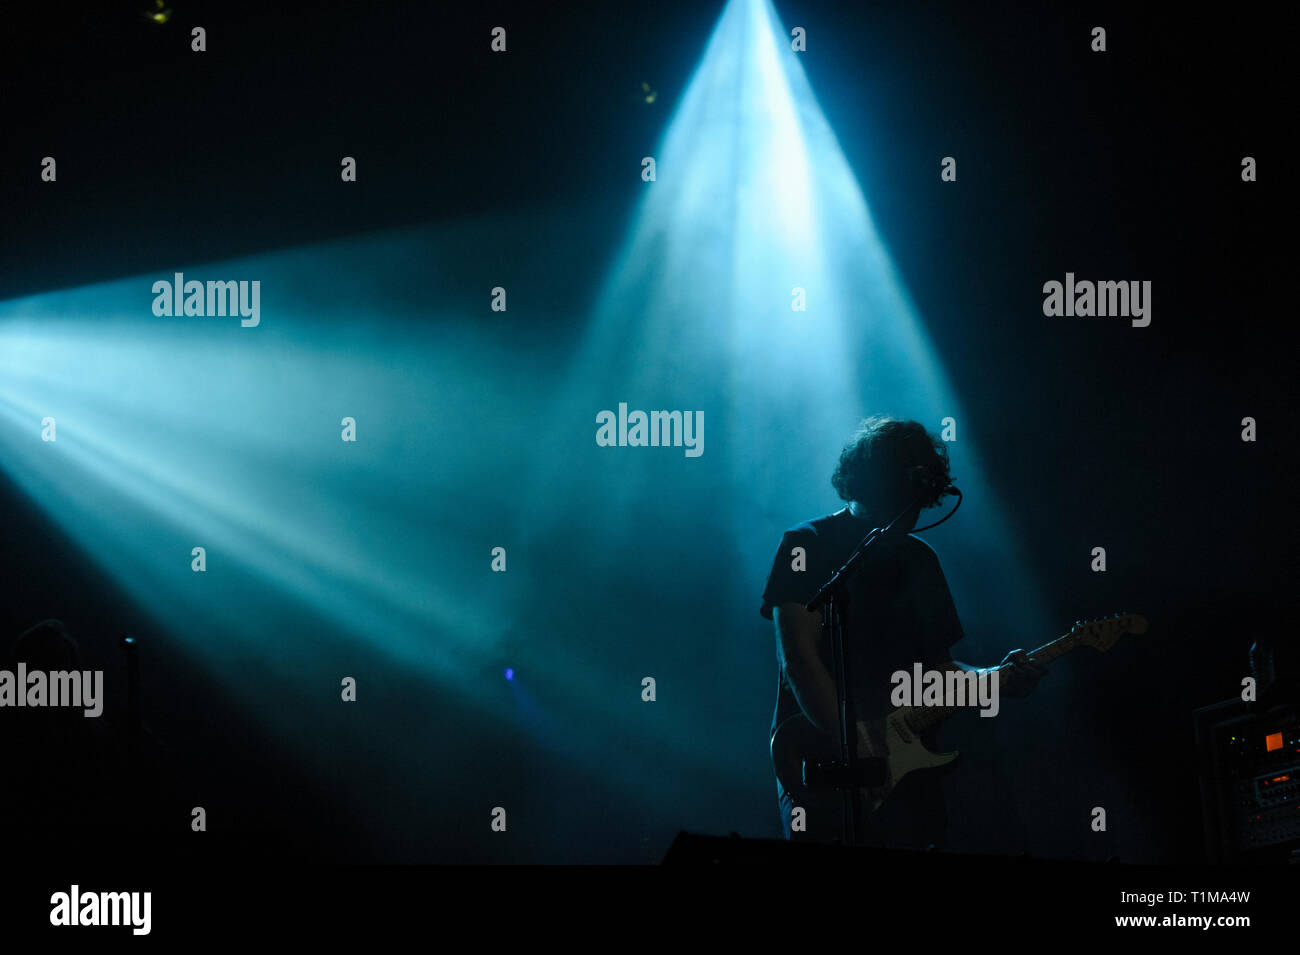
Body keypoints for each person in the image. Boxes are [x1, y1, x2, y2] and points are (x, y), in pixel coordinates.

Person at [761, 416, 1044, 846]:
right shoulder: (807, 543)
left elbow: (940, 672)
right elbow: (798, 656)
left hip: (906, 771)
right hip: (823, 760)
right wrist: (854, 742)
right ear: (877, 478)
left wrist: (994, 680)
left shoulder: (921, 561)